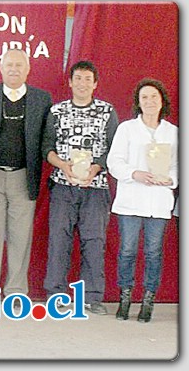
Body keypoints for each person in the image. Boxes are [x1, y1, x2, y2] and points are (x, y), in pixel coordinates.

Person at [0, 48, 52, 299]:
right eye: (9, 65)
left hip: (23, 177)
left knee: (21, 238)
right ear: (1, 68)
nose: (14, 69)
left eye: (19, 65)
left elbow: (46, 138)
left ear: (28, 69)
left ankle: (16, 291)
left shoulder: (42, 99)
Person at [42, 60, 118, 315]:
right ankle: (56, 294)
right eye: (78, 78)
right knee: (58, 240)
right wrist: (64, 166)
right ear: (70, 82)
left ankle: (91, 297)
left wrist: (95, 168)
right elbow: (47, 149)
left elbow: (112, 150)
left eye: (88, 79)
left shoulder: (107, 111)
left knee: (94, 241)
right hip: (63, 187)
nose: (83, 83)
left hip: (95, 188)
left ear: (95, 84)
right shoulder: (57, 111)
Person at [107, 78, 178, 323]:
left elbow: (179, 167)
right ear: (138, 102)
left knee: (153, 252)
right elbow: (114, 161)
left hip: (158, 202)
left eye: (154, 97)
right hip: (131, 199)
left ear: (162, 102)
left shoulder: (172, 132)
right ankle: (125, 297)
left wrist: (169, 179)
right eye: (144, 97)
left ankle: (148, 300)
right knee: (127, 251)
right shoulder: (127, 129)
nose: (149, 102)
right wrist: (133, 174)